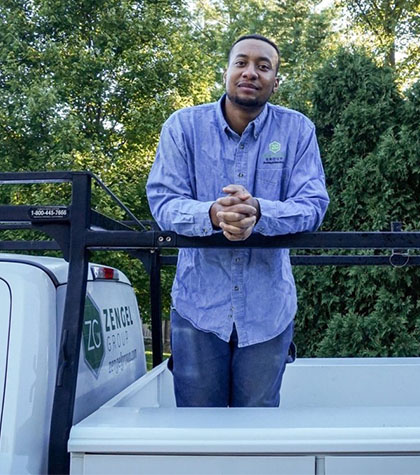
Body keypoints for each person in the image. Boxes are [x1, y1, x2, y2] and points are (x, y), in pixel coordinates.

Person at [146, 34, 329, 407]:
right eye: (241, 62)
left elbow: (312, 204)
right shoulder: (182, 127)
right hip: (198, 308)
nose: (251, 72)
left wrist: (259, 212)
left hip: (267, 312)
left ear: (275, 82)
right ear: (226, 72)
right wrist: (213, 215)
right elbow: (163, 200)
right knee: (198, 434)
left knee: (257, 437)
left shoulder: (298, 131)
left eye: (264, 66)